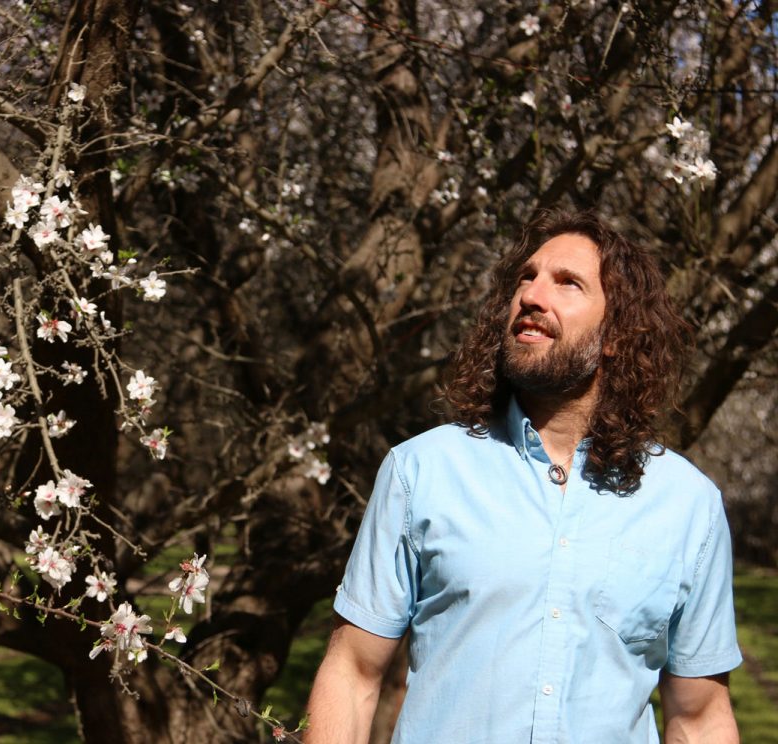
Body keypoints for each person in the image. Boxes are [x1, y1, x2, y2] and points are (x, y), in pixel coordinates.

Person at [304, 211, 742, 743]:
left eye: (568, 284)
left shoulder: (687, 505)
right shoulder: (421, 471)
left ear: (618, 337)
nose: (532, 296)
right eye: (525, 278)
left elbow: (698, 716)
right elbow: (353, 671)